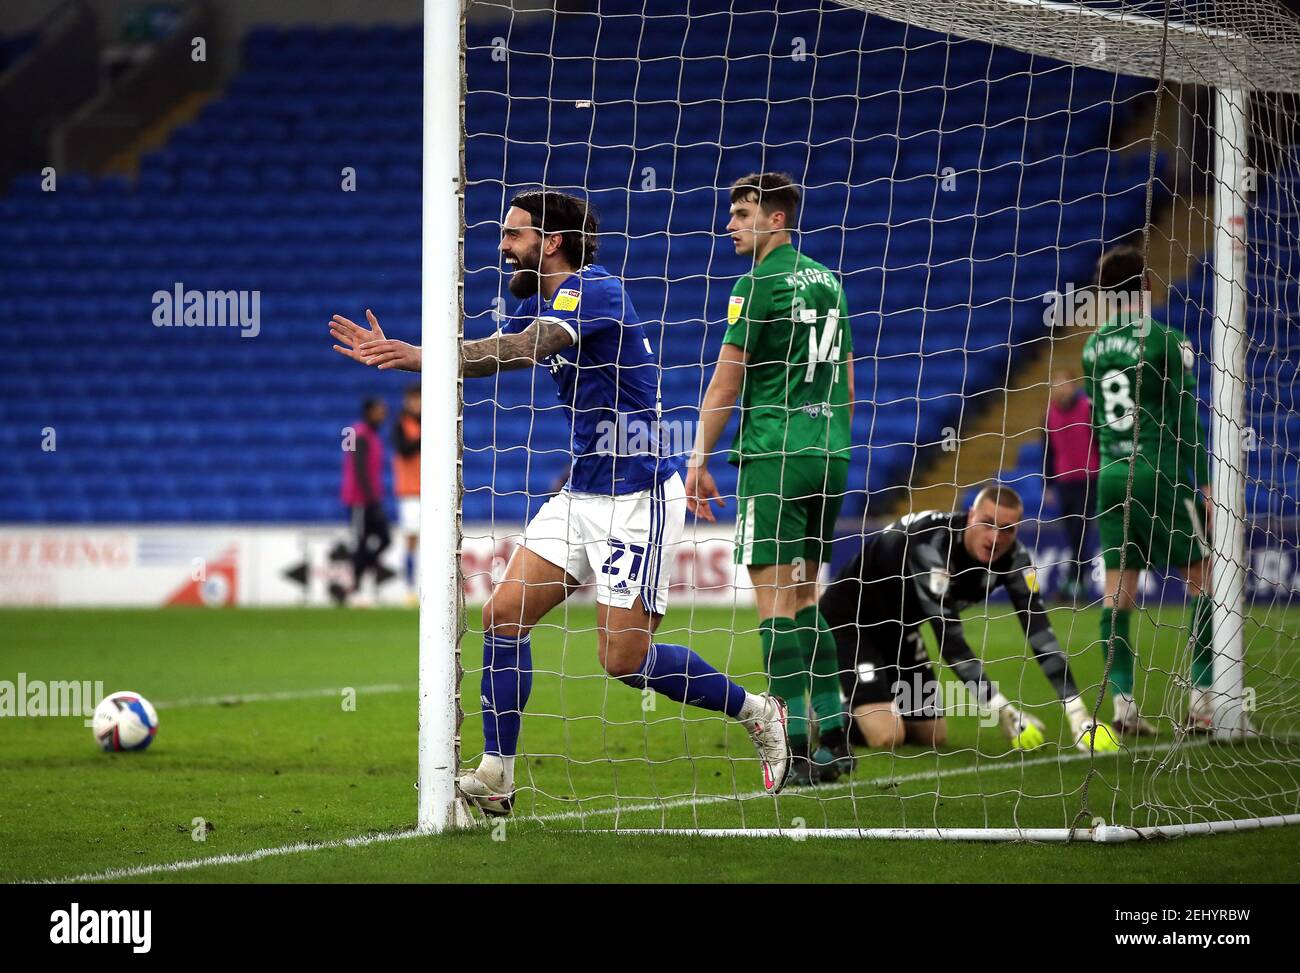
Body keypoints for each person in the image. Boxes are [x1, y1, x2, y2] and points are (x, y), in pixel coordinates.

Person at [330, 189, 793, 815]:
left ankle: (757, 711)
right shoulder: (559, 300)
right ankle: (497, 773)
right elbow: (524, 338)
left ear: (550, 242)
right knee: (502, 616)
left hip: (638, 496)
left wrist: (424, 357)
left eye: (514, 235)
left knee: (622, 661)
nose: (502, 247)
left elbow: (527, 346)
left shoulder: (594, 289)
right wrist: (422, 358)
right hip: (580, 491)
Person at [686, 172, 854, 786]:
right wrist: (832, 440)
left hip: (774, 456)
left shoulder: (755, 284)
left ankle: (797, 748)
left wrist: (698, 457)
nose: (730, 225)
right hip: (830, 454)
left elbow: (727, 383)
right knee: (808, 596)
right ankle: (834, 737)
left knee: (772, 605)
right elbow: (849, 380)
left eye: (740, 213)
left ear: (775, 219)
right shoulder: (830, 281)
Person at [819, 486, 1120, 753]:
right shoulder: (931, 547)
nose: (995, 537)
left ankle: (870, 701)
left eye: (1007, 529)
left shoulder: (1015, 559)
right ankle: (823, 716)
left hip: (901, 629)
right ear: (971, 516)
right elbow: (951, 643)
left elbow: (1040, 631)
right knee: (888, 736)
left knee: (931, 736)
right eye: (987, 523)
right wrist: (1002, 709)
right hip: (850, 622)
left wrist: (1077, 711)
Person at [1082, 244, 1234, 734]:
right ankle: (1203, 701)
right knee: (1202, 578)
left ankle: (1123, 704)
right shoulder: (1166, 340)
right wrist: (1206, 482)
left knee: (1118, 592)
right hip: (1160, 473)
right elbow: (1186, 416)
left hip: (1109, 475)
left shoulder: (1092, 347)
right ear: (1146, 285)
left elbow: (1096, 417)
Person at [1044, 370, 1099, 601]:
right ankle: (1076, 581)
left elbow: (1099, 439)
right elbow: (1047, 450)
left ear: (1073, 385)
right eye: (1056, 385)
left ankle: (1076, 581)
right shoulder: (1049, 414)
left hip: (1088, 478)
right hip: (1064, 480)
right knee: (1071, 532)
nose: (1060, 389)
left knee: (1080, 529)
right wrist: (1048, 483)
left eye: (1064, 384)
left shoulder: (1088, 407)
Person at [341, 397, 391, 607]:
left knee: (383, 539)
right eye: (380, 410)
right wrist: (372, 499)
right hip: (360, 500)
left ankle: (356, 581)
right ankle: (355, 588)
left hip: (368, 498)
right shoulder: (359, 434)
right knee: (361, 543)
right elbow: (358, 469)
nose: (384, 414)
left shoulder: (365, 434)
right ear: (370, 411)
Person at [392, 383, 421, 606]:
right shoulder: (401, 425)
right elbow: (403, 449)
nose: (417, 404)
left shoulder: (430, 421)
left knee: (431, 542)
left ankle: (424, 585)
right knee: (411, 540)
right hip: (410, 492)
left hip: (431, 493)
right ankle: (409, 588)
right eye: (413, 399)